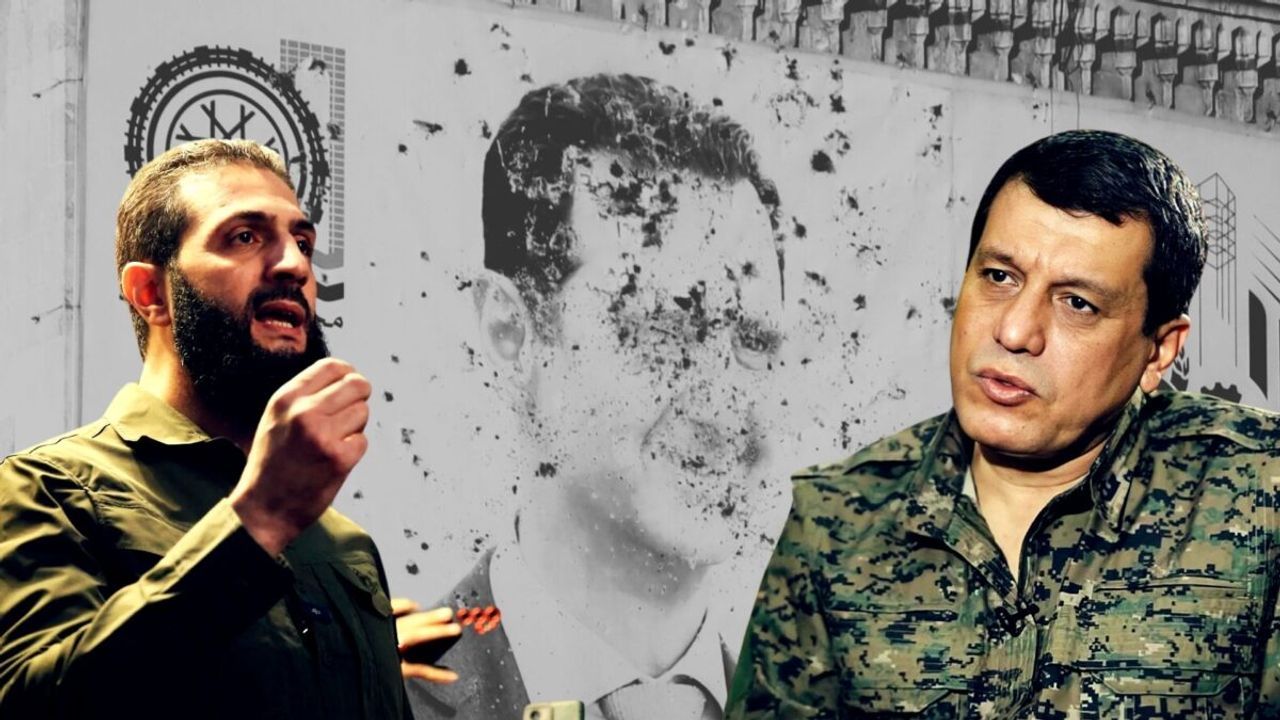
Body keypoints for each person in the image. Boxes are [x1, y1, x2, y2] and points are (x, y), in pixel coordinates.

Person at [727, 129, 1280, 717]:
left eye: (1077, 303)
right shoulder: (836, 520)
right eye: (999, 277)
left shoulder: (1260, 497)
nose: (1014, 331)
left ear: (1159, 351)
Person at [0, 139, 456, 719]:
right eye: (244, 236)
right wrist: (258, 521)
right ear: (150, 293)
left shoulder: (346, 546)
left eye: (303, 243)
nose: (295, 265)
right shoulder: (48, 490)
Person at [410, 74, 786, 720]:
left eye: (752, 342)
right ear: (511, 329)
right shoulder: (359, 700)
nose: (724, 406)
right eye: (666, 329)